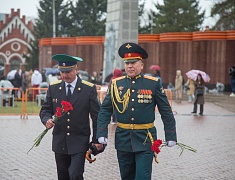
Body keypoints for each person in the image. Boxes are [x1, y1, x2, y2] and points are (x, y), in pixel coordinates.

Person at [96, 42, 177, 180]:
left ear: (141, 65)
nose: (130, 66)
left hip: (145, 138)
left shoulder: (152, 83)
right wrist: (101, 132)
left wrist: (171, 135)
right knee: (126, 177)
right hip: (123, 139)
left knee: (142, 177)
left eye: (133, 62)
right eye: (127, 63)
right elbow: (105, 110)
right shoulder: (117, 84)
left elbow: (166, 111)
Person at [39, 54, 103, 180]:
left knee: (75, 174)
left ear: (76, 70)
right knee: (63, 176)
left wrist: (97, 139)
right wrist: (47, 120)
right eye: (62, 72)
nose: (64, 75)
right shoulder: (54, 88)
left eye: (68, 71)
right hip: (60, 141)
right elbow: (45, 109)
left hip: (79, 140)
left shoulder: (88, 89)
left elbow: (97, 116)